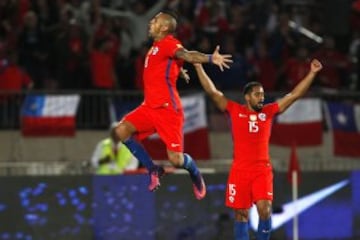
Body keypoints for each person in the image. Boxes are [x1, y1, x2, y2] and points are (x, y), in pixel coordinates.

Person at [193, 56, 322, 239]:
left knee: (265, 209)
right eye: (257, 94)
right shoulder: (235, 110)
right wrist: (199, 67)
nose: (261, 97)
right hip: (240, 170)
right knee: (241, 214)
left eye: (262, 94)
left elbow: (294, 95)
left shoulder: (268, 112)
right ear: (247, 97)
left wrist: (312, 73)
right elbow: (213, 92)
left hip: (261, 170)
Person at [112, 11, 232, 200]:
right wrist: (178, 69)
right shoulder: (154, 47)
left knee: (176, 160)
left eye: (155, 21)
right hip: (149, 108)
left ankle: (194, 172)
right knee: (120, 131)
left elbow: (187, 54)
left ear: (164, 27)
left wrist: (210, 58)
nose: (150, 23)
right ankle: (153, 169)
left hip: (168, 110)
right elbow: (168, 64)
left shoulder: (170, 43)